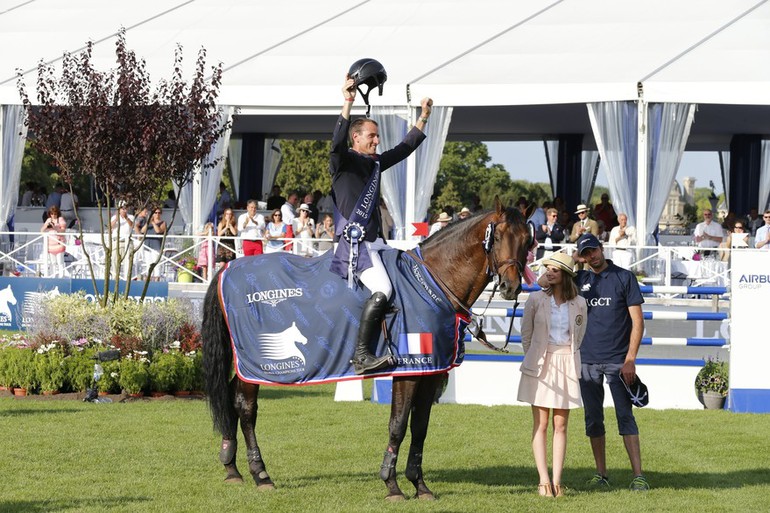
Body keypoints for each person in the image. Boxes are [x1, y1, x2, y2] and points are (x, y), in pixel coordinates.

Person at [330, 69, 431, 374]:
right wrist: (347, 102)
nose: (377, 140)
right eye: (371, 136)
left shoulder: (374, 163)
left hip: (376, 243)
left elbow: (403, 149)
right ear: (356, 137)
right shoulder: (342, 161)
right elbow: (335, 142)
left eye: (377, 136)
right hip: (355, 246)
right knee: (384, 291)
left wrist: (423, 118)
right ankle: (362, 356)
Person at [569, 234, 648, 491]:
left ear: (602, 248)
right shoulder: (578, 279)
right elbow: (547, 280)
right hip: (586, 362)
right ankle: (601, 474)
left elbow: (638, 322)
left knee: (625, 417)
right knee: (593, 420)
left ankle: (639, 476)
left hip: (618, 361)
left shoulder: (624, 277)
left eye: (593, 250)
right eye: (585, 253)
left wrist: (630, 359)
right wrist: (572, 260)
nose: (591, 255)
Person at [518, 252, 586, 498]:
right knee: (542, 423)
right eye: (547, 268)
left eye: (554, 269)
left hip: (566, 363)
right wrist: (535, 357)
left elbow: (578, 335)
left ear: (565, 274)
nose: (549, 272)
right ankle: (543, 480)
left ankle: (557, 481)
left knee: (561, 424)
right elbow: (526, 335)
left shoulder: (579, 302)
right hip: (540, 363)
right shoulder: (535, 299)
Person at [41, 206, 67, 277]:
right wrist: (47, 226)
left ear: (57, 213)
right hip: (50, 245)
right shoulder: (49, 220)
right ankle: (53, 276)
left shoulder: (60, 219)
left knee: (60, 262)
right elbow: (42, 231)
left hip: (59, 243)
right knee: (53, 262)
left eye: (55, 213)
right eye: (52, 213)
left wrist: (55, 228)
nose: (53, 215)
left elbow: (63, 230)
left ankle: (61, 276)